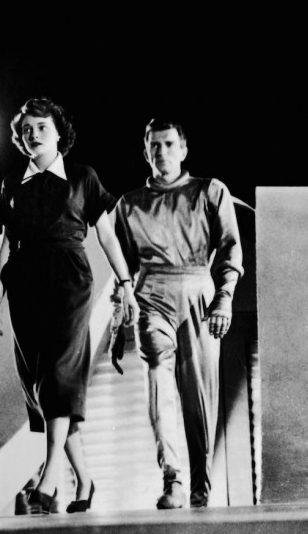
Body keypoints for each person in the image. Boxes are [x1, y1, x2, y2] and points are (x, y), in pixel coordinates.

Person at [0, 97, 139, 514]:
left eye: (41, 127)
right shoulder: (12, 184)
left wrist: (126, 284)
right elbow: (7, 244)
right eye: (26, 129)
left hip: (69, 280)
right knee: (41, 385)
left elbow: (107, 235)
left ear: (59, 134)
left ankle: (51, 474)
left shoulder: (83, 177)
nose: (32, 134)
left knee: (59, 373)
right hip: (24, 284)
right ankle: (85, 480)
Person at [113, 118, 243, 509]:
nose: (162, 152)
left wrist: (225, 297)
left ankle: (201, 487)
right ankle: (172, 478)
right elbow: (122, 271)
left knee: (199, 395)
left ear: (183, 150)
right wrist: (119, 321)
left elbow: (230, 246)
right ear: (145, 152)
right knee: (158, 378)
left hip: (198, 291)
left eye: (169, 144)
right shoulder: (129, 204)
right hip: (151, 293)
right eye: (154, 145)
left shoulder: (210, 191)